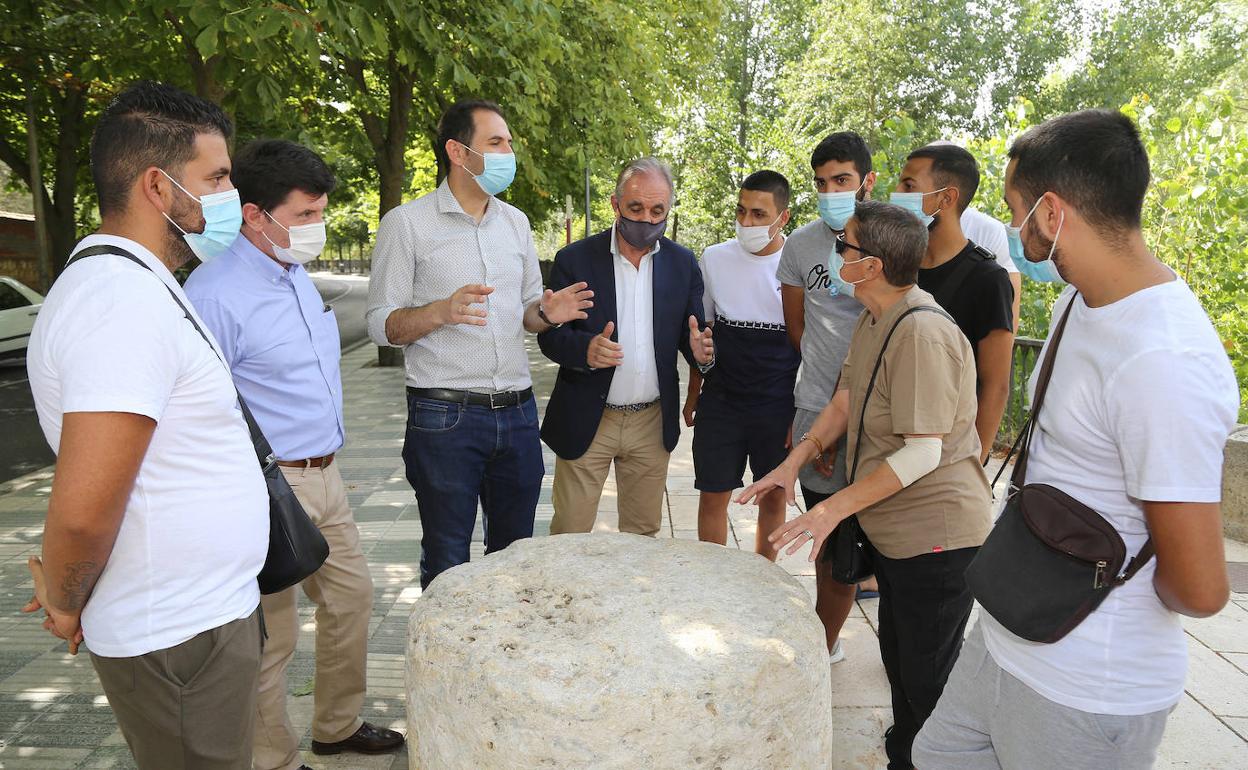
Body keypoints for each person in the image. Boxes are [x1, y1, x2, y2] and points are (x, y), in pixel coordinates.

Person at [914, 110, 1239, 769]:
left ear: (1053, 211)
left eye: (1016, 209)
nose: (1012, 229)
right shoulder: (1076, 301)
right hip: (1008, 633)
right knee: (936, 754)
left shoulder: (1164, 360)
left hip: (1088, 687)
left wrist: (1102, 585)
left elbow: (1200, 589)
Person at [22, 80, 268, 768]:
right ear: (159, 188)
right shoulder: (118, 303)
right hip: (177, 638)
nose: (229, 195)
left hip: (197, 622)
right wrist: (66, 604)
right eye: (216, 177)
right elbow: (81, 512)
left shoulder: (139, 287)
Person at [740, 199, 991, 770]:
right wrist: (792, 462)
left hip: (938, 538)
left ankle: (921, 757)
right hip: (895, 535)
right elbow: (846, 399)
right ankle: (907, 750)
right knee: (898, 658)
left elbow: (924, 451)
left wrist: (831, 512)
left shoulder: (922, 332)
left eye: (845, 245)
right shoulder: (874, 316)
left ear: (871, 264)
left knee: (925, 681)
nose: (836, 253)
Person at [184, 139, 403, 769]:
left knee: (352, 598)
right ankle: (273, 760)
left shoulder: (294, 275)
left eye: (321, 212)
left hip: (325, 479)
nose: (318, 227)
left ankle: (336, 724)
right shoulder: (216, 295)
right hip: (268, 489)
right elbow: (203, 407)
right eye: (305, 215)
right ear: (255, 214)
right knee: (271, 639)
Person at [365, 99, 592, 589]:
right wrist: (439, 312)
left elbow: (530, 313)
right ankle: (443, 663)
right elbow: (381, 325)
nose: (509, 151)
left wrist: (547, 314)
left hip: (517, 414)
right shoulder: (406, 224)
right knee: (447, 558)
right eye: (496, 142)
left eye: (509, 142)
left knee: (515, 558)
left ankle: (506, 660)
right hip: (444, 417)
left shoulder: (516, 223)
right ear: (457, 151)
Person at [538, 157, 713, 536]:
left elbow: (692, 334)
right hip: (588, 418)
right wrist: (584, 351)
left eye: (657, 211)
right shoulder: (575, 260)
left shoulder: (683, 264)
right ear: (616, 205)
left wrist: (700, 354)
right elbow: (549, 336)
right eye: (636, 208)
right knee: (569, 535)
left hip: (651, 422)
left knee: (643, 536)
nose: (647, 220)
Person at [775, 131, 877, 664]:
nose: (831, 190)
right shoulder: (801, 245)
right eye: (821, 182)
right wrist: (815, 414)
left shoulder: (896, 240)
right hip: (816, 403)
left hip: (880, 417)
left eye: (841, 180)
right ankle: (826, 646)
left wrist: (851, 398)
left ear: (867, 181)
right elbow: (799, 329)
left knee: (879, 536)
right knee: (830, 544)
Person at [683, 170, 799, 557]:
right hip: (723, 402)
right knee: (713, 494)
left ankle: (764, 579)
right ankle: (711, 579)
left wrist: (800, 414)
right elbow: (705, 332)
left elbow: (808, 347)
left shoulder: (798, 262)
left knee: (772, 498)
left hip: (778, 404)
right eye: (741, 211)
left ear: (782, 218)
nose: (746, 223)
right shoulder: (715, 258)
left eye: (758, 215)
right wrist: (694, 391)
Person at [892, 143, 1015, 462]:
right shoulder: (896, 268)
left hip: (948, 461)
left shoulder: (988, 279)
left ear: (946, 198)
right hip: (886, 453)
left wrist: (973, 462)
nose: (896, 194)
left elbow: (996, 384)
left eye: (908, 186)